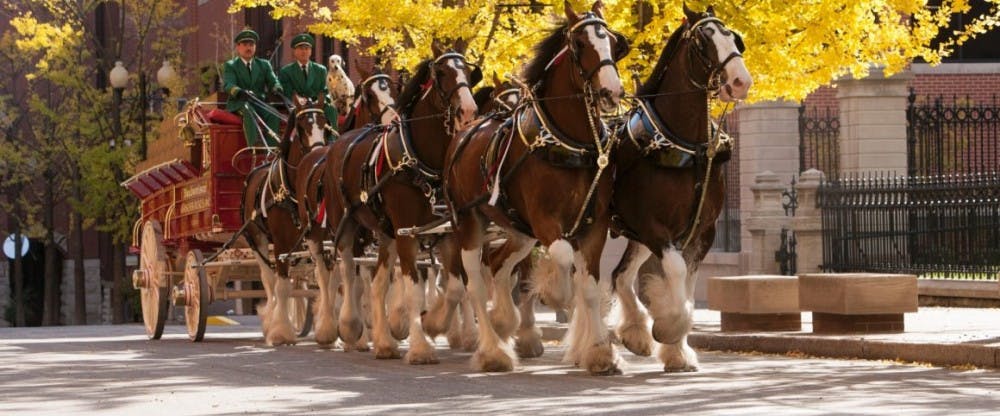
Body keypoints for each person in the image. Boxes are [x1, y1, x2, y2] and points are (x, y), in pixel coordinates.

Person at [222, 28, 284, 147]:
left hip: (259, 102)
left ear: (255, 47)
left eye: (251, 44)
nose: (248, 48)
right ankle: (255, 145)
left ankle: (273, 148)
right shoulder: (231, 65)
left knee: (273, 112)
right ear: (238, 47)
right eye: (245, 44)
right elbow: (228, 84)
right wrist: (238, 91)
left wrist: (277, 87)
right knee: (247, 108)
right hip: (239, 102)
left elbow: (273, 80)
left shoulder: (264, 64)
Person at [278, 33, 338, 139]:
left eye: (307, 48)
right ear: (294, 51)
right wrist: (298, 100)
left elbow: (324, 90)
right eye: (300, 48)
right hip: (297, 105)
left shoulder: (320, 70)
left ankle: (332, 140)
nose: (304, 51)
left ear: (310, 51)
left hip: (316, 104)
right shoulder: (286, 71)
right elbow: (287, 91)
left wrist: (322, 100)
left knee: (331, 109)